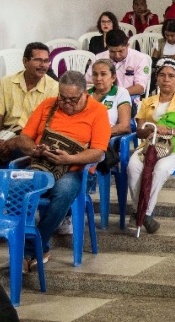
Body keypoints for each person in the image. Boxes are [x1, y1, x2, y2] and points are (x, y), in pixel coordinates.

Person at [13, 71, 109, 267]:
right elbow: (24, 138)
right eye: (63, 98)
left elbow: (98, 152)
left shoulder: (98, 111)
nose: (67, 104)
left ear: (84, 94)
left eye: (73, 100)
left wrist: (70, 158)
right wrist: (35, 149)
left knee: (62, 191)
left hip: (76, 170)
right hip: (43, 164)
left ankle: (30, 249)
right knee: (16, 189)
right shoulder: (48, 105)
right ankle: (38, 246)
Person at [127, 60, 175, 235]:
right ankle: (142, 213)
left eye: (171, 76)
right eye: (162, 75)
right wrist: (150, 130)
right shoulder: (147, 102)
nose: (166, 79)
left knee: (160, 168)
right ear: (157, 79)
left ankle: (144, 213)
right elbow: (139, 130)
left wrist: (170, 131)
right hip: (149, 146)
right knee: (132, 166)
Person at [0, 42, 59, 169]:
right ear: (25, 61)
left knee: (11, 169)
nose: (43, 65)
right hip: (5, 136)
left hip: (31, 141)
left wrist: (16, 142)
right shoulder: (6, 82)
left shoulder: (53, 88)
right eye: (38, 60)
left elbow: (46, 126)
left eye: (46, 61)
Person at [88, 29, 150, 108]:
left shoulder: (140, 59)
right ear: (107, 47)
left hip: (128, 99)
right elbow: (89, 83)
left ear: (127, 45)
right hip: (101, 99)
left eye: (121, 51)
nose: (117, 55)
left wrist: (115, 94)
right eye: (113, 51)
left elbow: (140, 88)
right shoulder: (98, 58)